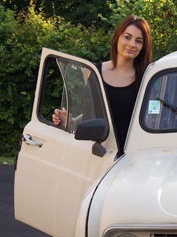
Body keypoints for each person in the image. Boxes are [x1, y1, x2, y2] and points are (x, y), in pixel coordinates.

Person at [53, 15, 153, 151]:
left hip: (131, 154)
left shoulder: (147, 78)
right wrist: (70, 122)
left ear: (143, 46)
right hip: (98, 152)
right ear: (118, 37)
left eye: (139, 41)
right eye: (127, 37)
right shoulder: (93, 72)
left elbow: (151, 119)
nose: (132, 45)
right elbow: (95, 114)